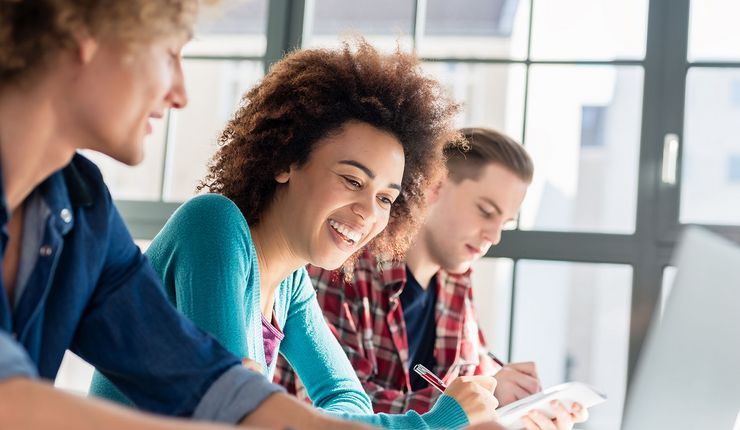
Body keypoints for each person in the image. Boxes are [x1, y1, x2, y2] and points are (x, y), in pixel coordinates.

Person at [89, 40, 507, 429]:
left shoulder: (291, 283)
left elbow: (346, 396)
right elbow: (237, 416)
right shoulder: (214, 226)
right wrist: (434, 423)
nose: (367, 211)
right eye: (350, 179)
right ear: (286, 161)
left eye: (385, 198)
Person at [0, 2, 379, 429]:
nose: (180, 93)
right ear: (83, 33)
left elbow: (203, 379)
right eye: (169, 53)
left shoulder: (86, 211)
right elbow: (10, 404)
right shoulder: (205, 224)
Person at [275, 127, 590, 430]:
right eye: (485, 210)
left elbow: (476, 382)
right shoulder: (341, 263)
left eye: (505, 223)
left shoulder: (457, 282)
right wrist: (476, 404)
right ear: (434, 187)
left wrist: (520, 409)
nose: (494, 236)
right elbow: (338, 413)